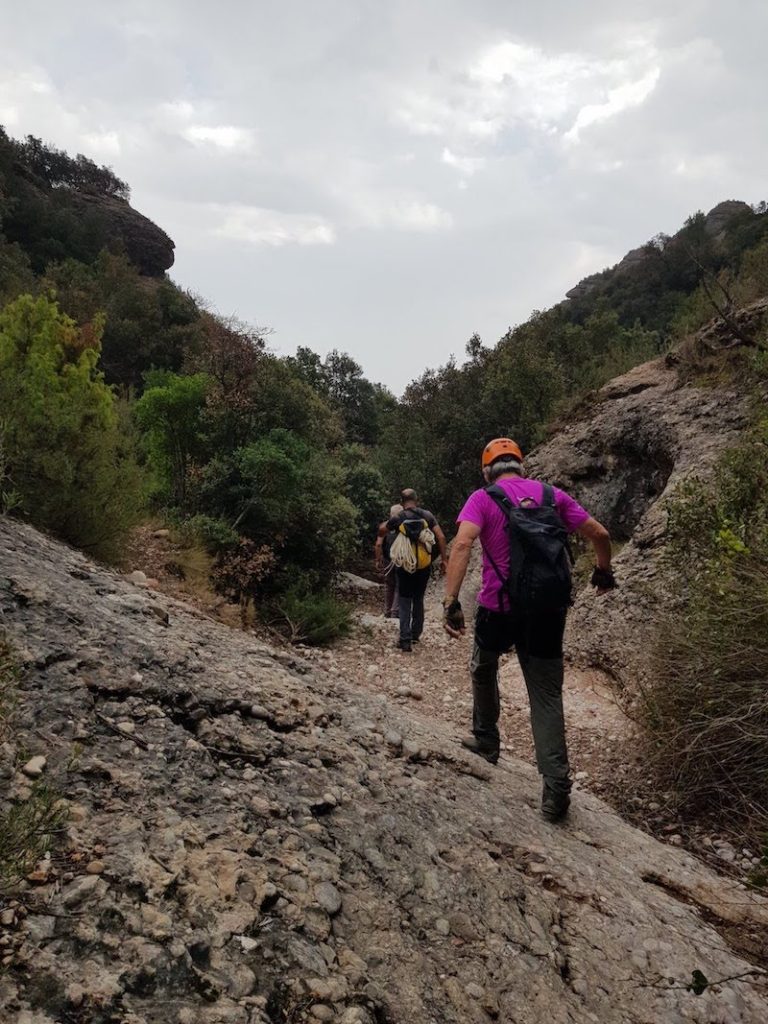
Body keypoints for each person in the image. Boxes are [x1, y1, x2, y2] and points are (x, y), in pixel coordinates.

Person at [441, 438, 615, 821]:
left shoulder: (482, 497)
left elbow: (462, 544)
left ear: (488, 470)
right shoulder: (552, 496)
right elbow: (600, 535)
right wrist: (603, 572)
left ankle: (486, 739)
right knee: (546, 697)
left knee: (483, 668)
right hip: (547, 612)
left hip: (497, 608)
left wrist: (450, 603)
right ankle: (555, 791)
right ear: (521, 466)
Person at [376, 489, 448, 652]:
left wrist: (386, 527)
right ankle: (416, 634)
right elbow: (441, 537)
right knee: (418, 598)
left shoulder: (399, 518)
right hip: (423, 565)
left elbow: (381, 532)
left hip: (404, 564)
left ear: (402, 502)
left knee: (404, 599)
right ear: (417, 500)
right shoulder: (427, 516)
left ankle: (405, 639)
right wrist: (444, 560)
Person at [375, 503, 403, 618]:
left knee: (389, 585)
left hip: (387, 559)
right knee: (399, 585)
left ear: (390, 514)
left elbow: (378, 544)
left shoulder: (384, 526)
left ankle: (387, 610)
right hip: (401, 559)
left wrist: (378, 559)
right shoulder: (404, 526)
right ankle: (395, 612)